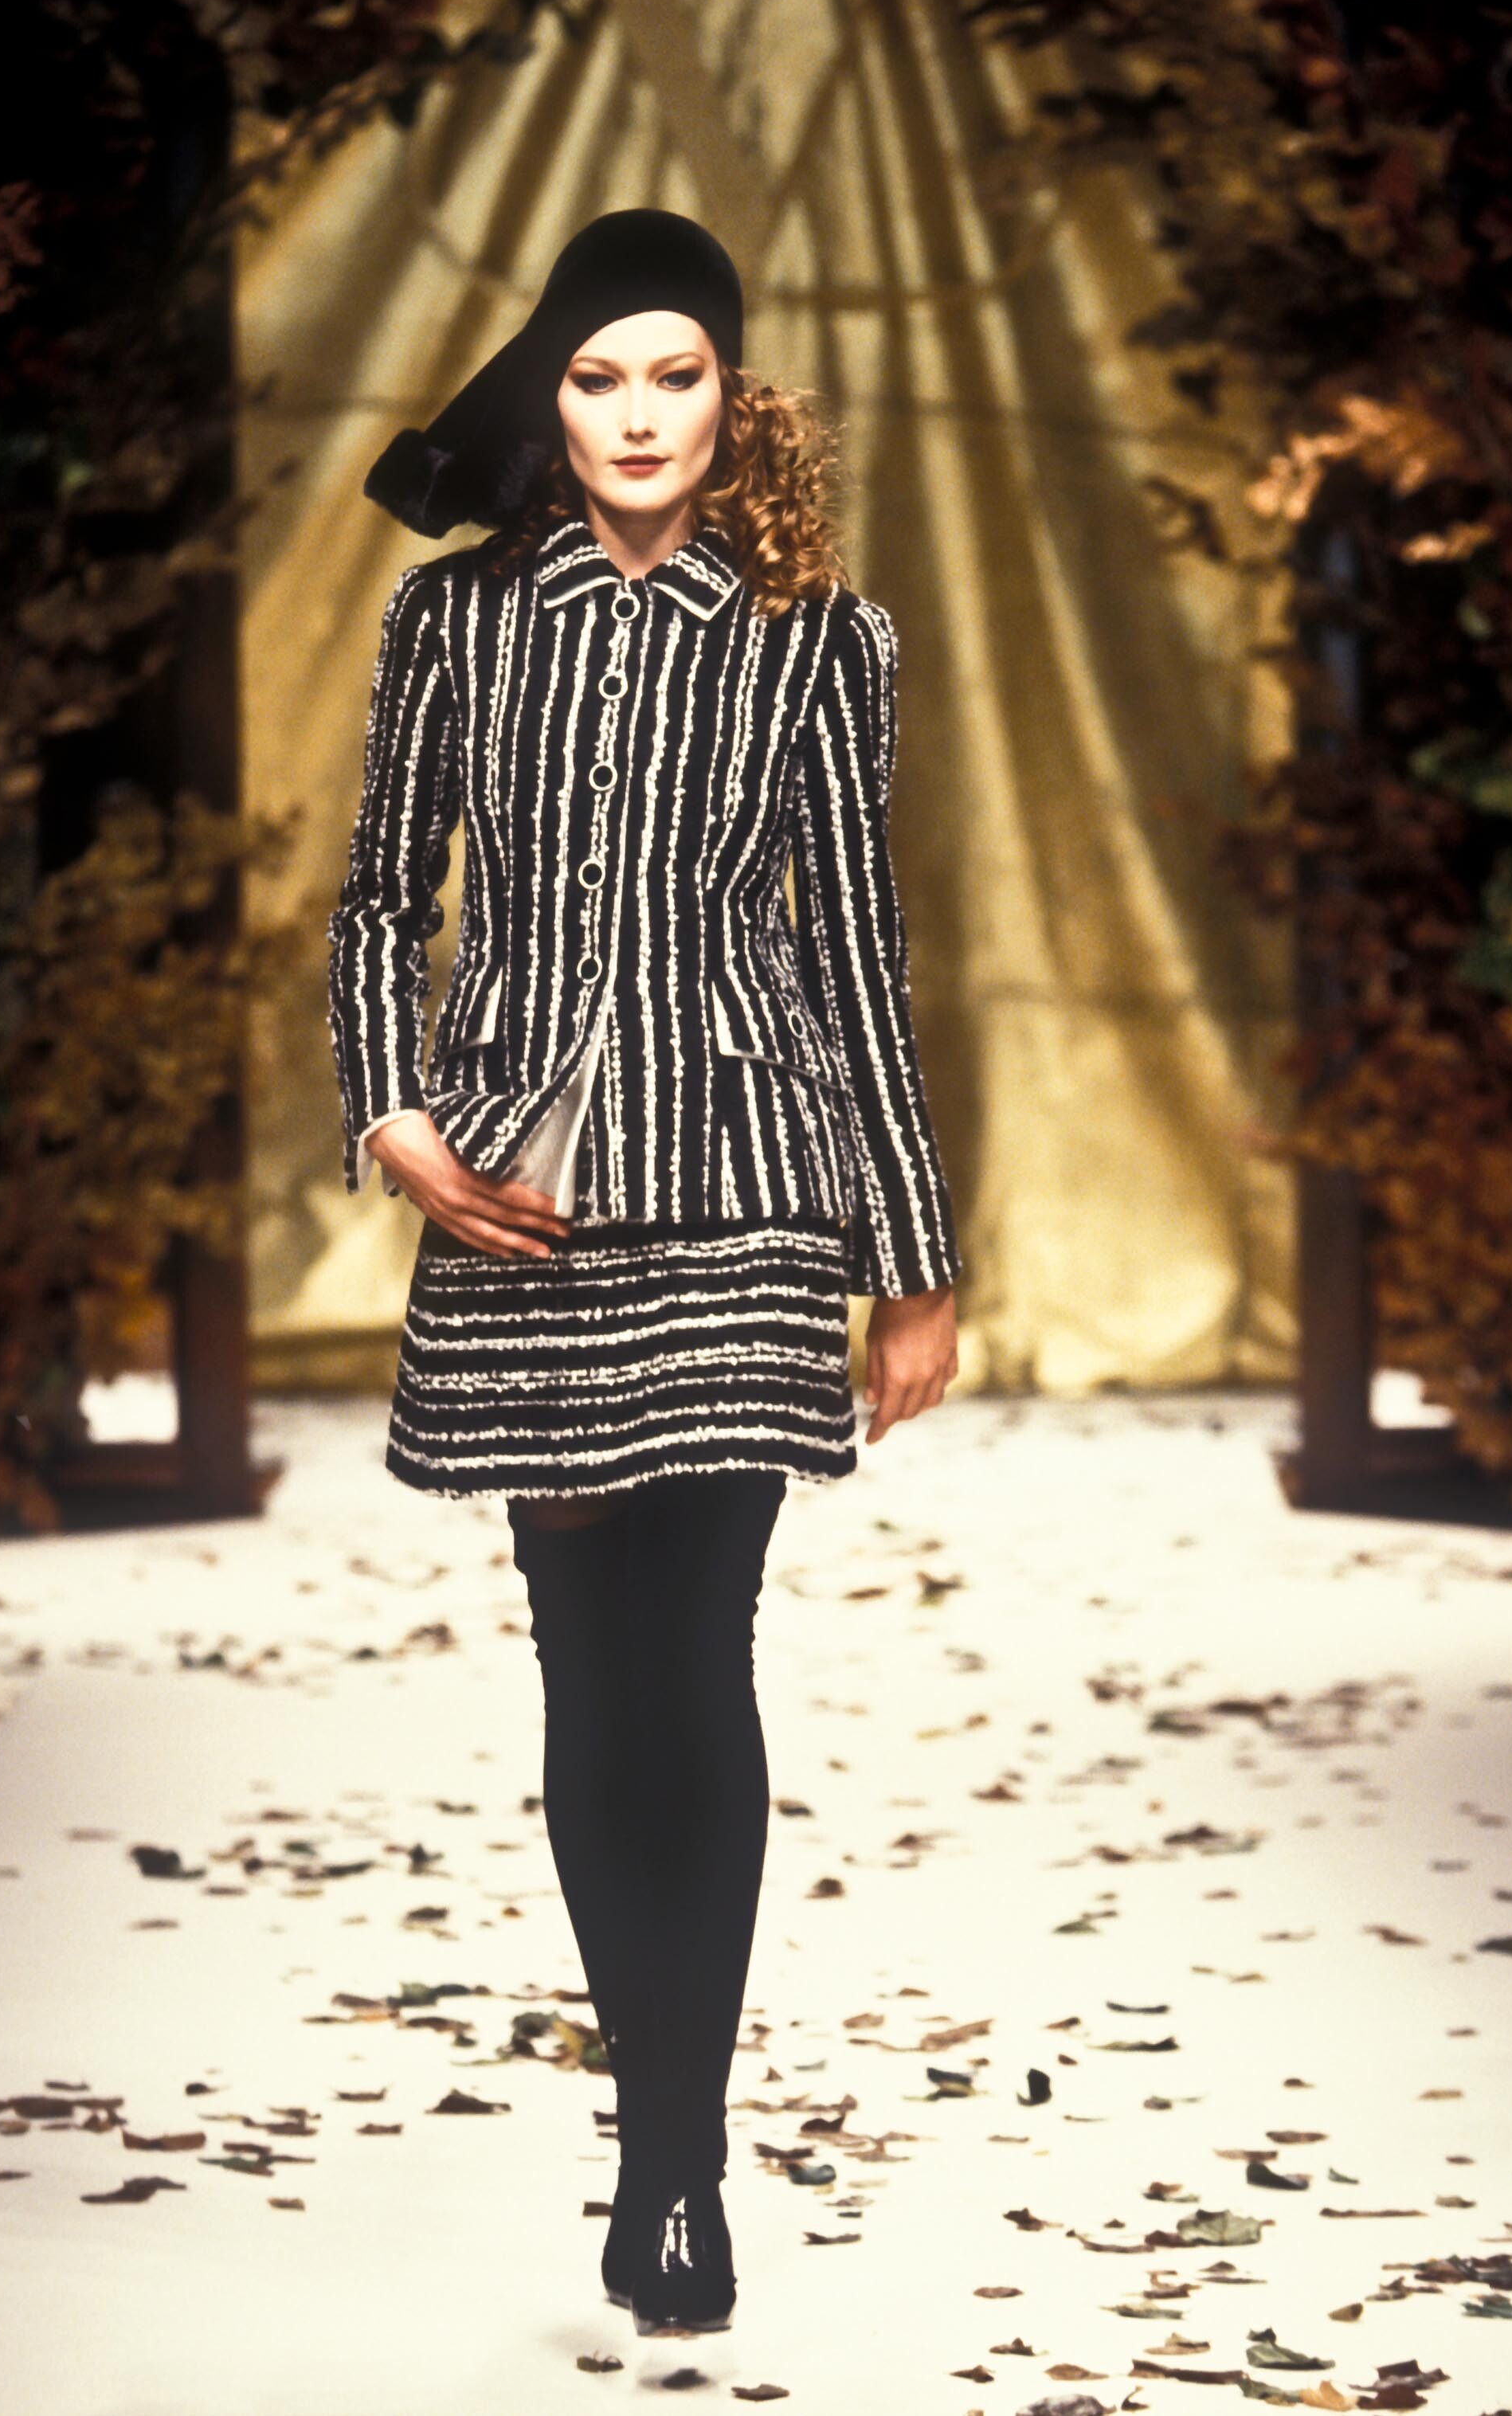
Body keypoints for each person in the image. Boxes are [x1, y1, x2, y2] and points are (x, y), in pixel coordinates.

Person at [327, 208, 961, 2336]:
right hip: (523, 1201)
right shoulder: (453, 623)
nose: (635, 414)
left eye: (674, 373)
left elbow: (856, 951)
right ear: (552, 390)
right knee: (588, 1672)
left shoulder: (819, 639)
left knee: (698, 1651)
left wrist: (914, 1257)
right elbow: (375, 901)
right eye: (597, 376)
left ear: (734, 393)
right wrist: (392, 1110)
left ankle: (678, 2166)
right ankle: (652, 2119)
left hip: (748, 1182)